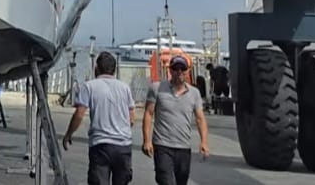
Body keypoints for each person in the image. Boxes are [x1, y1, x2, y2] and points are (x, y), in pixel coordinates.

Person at [62, 52, 135, 185]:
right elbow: (131, 118)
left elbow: (79, 114)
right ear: (114, 70)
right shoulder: (125, 88)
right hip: (123, 146)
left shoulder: (89, 86)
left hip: (101, 145)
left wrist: (68, 134)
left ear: (97, 69)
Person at [143, 56, 210, 185]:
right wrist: (147, 140)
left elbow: (200, 119)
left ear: (188, 71)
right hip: (162, 145)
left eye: (182, 69)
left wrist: (204, 142)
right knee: (166, 181)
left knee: (181, 182)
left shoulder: (194, 93)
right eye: (175, 68)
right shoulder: (157, 88)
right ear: (170, 70)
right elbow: (148, 113)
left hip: (183, 147)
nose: (179, 72)